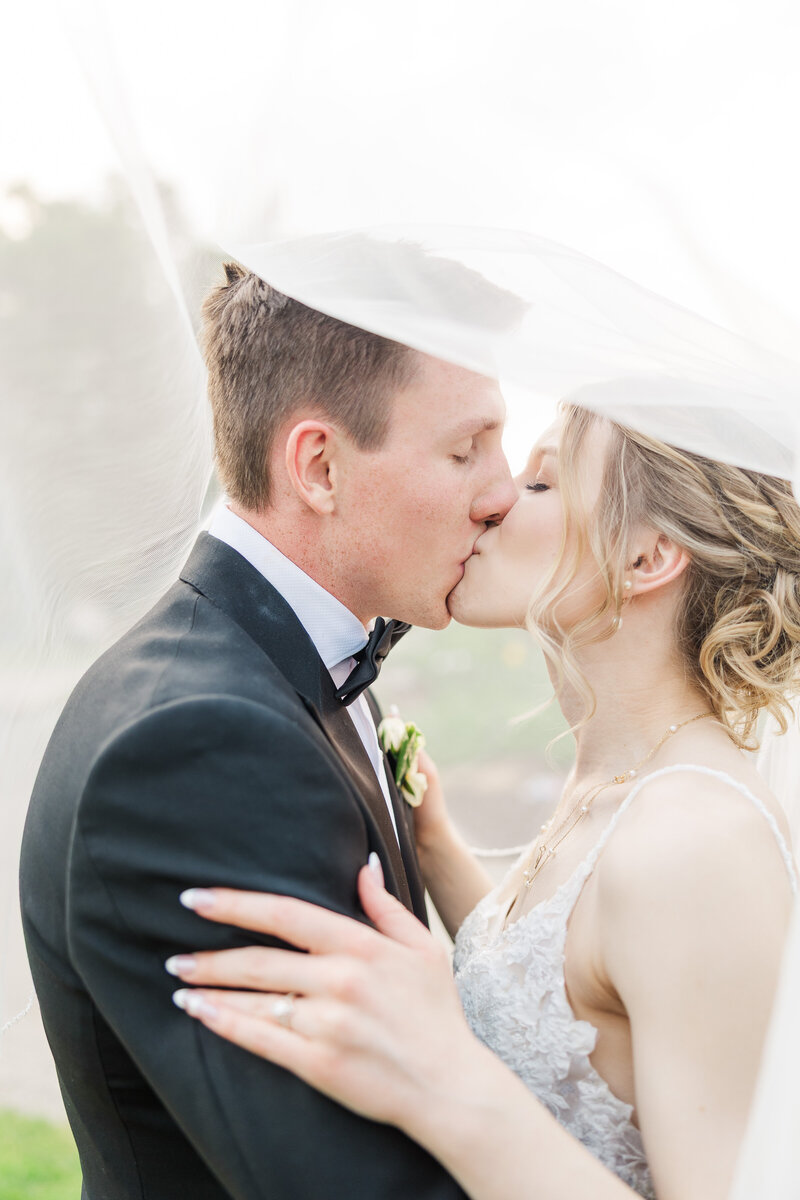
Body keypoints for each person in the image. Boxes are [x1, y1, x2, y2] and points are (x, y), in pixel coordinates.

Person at [166, 402, 799, 1200]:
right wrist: (433, 846)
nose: (496, 499)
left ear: (647, 558)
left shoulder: (697, 844)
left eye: (540, 483)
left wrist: (445, 1079)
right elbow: (572, 998)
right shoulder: (619, 787)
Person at [19, 262, 518, 1199]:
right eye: (467, 451)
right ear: (319, 467)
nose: (501, 493)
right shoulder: (195, 748)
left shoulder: (290, 655)